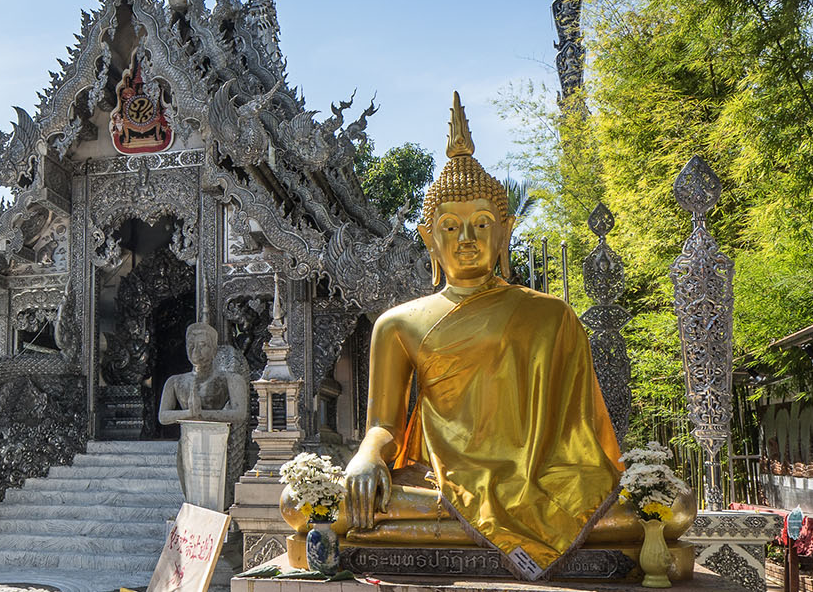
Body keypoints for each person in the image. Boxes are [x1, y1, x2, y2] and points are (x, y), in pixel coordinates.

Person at [284, 95, 692, 580]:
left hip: (546, 478)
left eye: (481, 223)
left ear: (505, 232)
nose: (466, 239)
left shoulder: (551, 315)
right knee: (303, 504)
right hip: (440, 483)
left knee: (677, 507)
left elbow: (580, 436)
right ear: (428, 238)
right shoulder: (398, 324)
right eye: (450, 227)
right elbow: (384, 425)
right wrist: (368, 455)